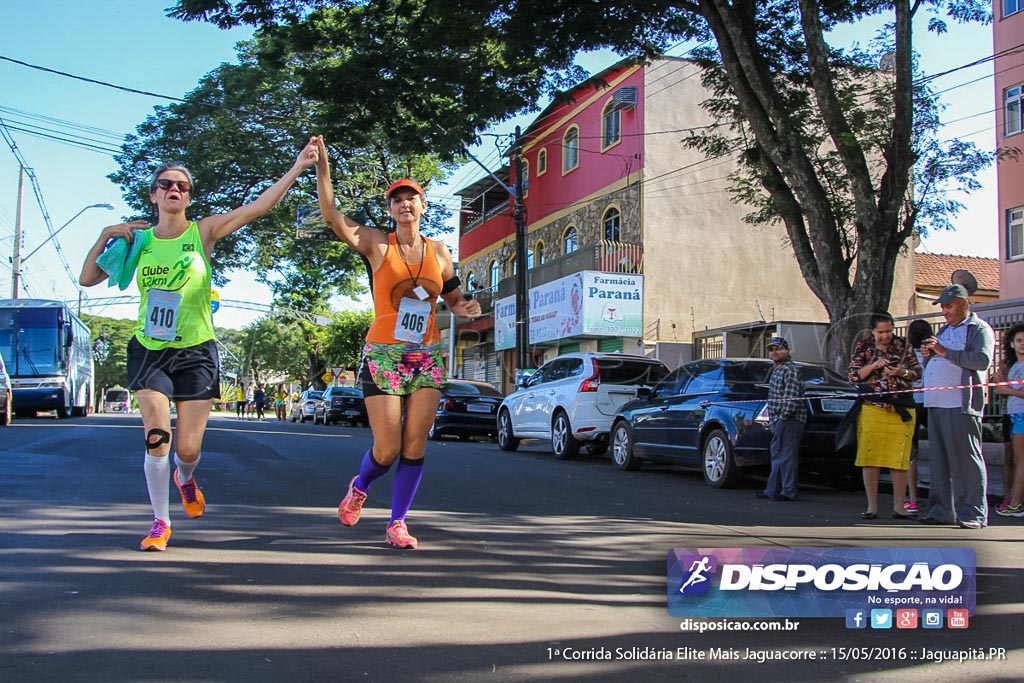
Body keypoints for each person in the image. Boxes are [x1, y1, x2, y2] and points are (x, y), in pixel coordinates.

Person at [78, 141, 319, 551]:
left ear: (189, 197)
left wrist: (297, 167)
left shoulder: (202, 232)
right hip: (149, 349)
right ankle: (159, 522)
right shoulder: (136, 241)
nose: (175, 190)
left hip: (196, 351)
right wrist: (104, 235)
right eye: (166, 184)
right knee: (157, 436)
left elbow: (256, 208)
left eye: (183, 186)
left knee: (187, 450)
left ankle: (185, 479)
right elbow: (87, 279)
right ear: (154, 194)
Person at [313, 135, 481, 549]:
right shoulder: (377, 244)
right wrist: (322, 168)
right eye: (397, 200)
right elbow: (332, 215)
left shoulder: (440, 253)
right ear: (391, 210)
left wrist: (466, 309)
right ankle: (359, 487)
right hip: (384, 353)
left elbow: (454, 299)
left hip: (425, 355)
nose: (405, 204)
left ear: (423, 207)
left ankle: (398, 523)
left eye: (412, 198)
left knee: (416, 442)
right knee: (386, 449)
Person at [918, 284, 995, 529]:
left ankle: (973, 513)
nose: (945, 311)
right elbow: (939, 358)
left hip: (960, 404)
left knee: (966, 461)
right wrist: (929, 355)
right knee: (939, 463)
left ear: (964, 303)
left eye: (948, 306)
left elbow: (981, 361)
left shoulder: (979, 329)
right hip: (936, 403)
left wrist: (943, 351)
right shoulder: (944, 329)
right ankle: (941, 511)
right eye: (942, 306)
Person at [846, 313, 921, 520]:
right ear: (872, 331)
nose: (885, 336)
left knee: (899, 458)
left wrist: (901, 372)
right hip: (873, 408)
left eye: (888, 331)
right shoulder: (863, 347)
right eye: (881, 332)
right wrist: (873, 366)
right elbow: (852, 376)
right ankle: (872, 506)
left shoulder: (904, 345)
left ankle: (899, 506)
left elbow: (917, 371)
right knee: (871, 457)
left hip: (901, 409)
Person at [756, 336, 806, 502]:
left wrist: (783, 417)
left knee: (787, 456)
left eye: (778, 348)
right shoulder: (777, 369)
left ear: (787, 351)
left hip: (789, 419)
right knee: (777, 455)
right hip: (777, 419)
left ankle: (788, 491)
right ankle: (772, 490)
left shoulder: (789, 369)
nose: (775, 352)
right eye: (771, 349)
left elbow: (791, 398)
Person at [904, 318, 934, 513]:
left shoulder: (906, 356)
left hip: (912, 403)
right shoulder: (932, 356)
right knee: (938, 449)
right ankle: (940, 495)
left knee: (911, 453)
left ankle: (913, 499)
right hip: (931, 403)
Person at [995, 322, 1024, 517]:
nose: (1023, 344)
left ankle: (1016, 502)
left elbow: (1008, 391)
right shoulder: (1014, 366)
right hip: (1013, 414)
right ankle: (1014, 498)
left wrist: (1007, 390)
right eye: (1019, 340)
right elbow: (1002, 391)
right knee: (1015, 458)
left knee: (1021, 459)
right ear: (1012, 344)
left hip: (1022, 414)